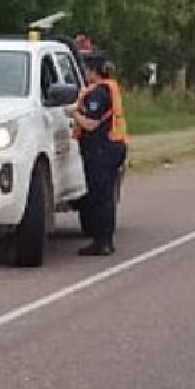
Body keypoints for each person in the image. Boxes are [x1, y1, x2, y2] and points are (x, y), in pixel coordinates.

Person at [71, 52, 128, 256]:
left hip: (103, 150)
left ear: (93, 71)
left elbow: (91, 123)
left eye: (86, 69)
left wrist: (72, 113)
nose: (84, 73)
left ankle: (103, 242)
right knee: (103, 196)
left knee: (100, 196)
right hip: (110, 147)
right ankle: (103, 239)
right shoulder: (106, 88)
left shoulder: (99, 94)